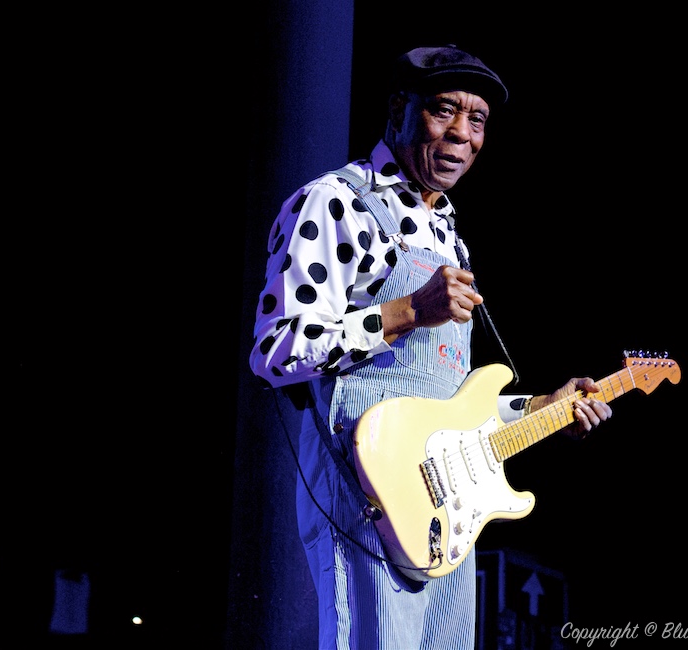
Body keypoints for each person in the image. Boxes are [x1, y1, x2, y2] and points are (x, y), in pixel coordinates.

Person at [248, 44, 613, 649]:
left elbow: (450, 402)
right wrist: (409, 310)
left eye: (478, 120)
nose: (462, 134)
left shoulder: (448, 234)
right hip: (368, 488)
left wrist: (540, 408)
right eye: (445, 110)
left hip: (448, 507)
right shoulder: (336, 202)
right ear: (398, 110)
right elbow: (277, 349)